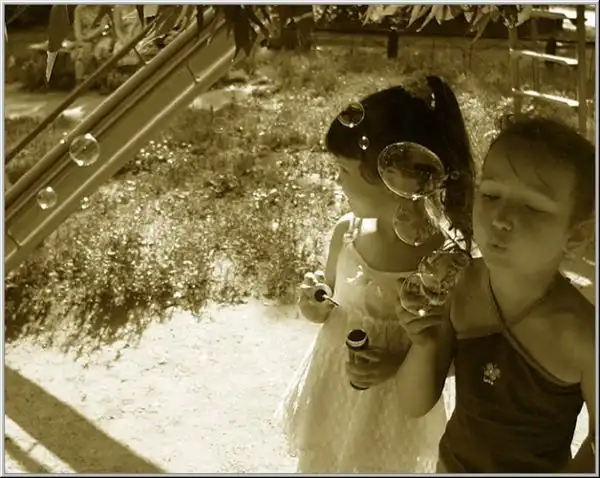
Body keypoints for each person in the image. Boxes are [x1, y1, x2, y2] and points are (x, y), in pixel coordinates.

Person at [349, 115, 596, 473]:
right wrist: (424, 343)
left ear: (575, 236)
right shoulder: (459, 284)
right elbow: (413, 404)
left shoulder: (584, 336)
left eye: (531, 207)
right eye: (491, 194)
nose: (500, 217)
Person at [275, 77, 475, 473]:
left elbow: (454, 357)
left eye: (344, 170)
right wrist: (315, 304)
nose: (337, 180)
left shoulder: (444, 262)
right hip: (332, 399)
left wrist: (398, 363)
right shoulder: (345, 234)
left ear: (400, 179)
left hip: (391, 419)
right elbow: (331, 301)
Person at [71, 5, 114, 84]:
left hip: (103, 37)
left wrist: (89, 37)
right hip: (85, 38)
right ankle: (79, 83)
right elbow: (78, 33)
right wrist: (84, 39)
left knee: (102, 49)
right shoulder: (79, 10)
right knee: (83, 51)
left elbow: (103, 29)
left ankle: (103, 81)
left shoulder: (104, 8)